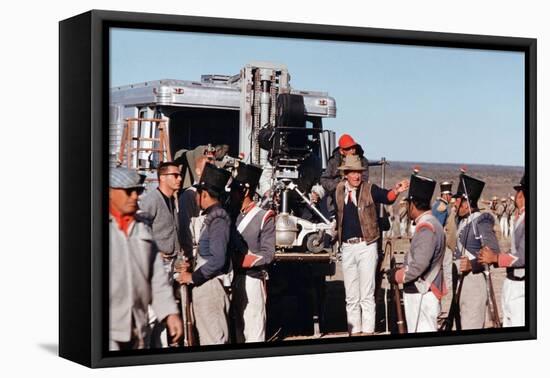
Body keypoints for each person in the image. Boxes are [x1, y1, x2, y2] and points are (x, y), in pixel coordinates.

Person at [333, 155, 409, 336]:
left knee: (366, 294)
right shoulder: (339, 191)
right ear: (346, 174)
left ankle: (367, 333)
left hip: (366, 245)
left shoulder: (369, 189)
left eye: (359, 172)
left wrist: (396, 190)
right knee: (351, 296)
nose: (357, 176)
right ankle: (354, 331)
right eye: (353, 172)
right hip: (347, 247)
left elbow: (387, 197)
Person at [109, 167, 182, 350]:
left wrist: (169, 313)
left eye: (138, 191)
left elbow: (156, 278)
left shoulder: (142, 228)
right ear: (110, 192)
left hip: (136, 325)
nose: (135, 196)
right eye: (128, 191)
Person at [175, 163, 232, 345]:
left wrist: (193, 277)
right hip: (207, 285)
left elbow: (218, 260)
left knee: (214, 341)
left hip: (210, 286)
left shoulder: (219, 219)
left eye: (199, 193)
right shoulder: (213, 217)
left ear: (204, 194)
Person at [388, 172, 446, 332]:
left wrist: (397, 276)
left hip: (423, 293)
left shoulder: (427, 228)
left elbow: (418, 266)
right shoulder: (431, 223)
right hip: (423, 291)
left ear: (412, 205)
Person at [229, 162, 276, 343]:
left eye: (234, 190)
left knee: (254, 328)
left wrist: (241, 261)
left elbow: (268, 254)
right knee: (238, 328)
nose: (231, 195)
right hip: (235, 278)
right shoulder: (233, 214)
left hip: (253, 278)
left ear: (245, 191)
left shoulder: (264, 216)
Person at [139, 161, 182, 347]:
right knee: (151, 313)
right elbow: (140, 229)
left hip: (170, 264)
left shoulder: (172, 200)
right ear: (162, 177)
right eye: (175, 175)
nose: (179, 178)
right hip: (157, 264)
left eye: (179, 175)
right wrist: (154, 253)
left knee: (164, 313)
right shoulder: (152, 200)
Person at [453, 172, 500, 330]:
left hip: (474, 282)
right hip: (460, 283)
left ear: (466, 202)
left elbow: (493, 251)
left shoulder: (481, 220)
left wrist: (472, 265)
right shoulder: (461, 221)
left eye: (458, 200)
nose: (454, 204)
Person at [479, 175, 526, 327]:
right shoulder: (522, 217)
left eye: (521, 192)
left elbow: (524, 256)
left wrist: (496, 258)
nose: (518, 197)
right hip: (512, 281)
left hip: (522, 283)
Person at [431, 181, 454, 319]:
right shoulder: (442, 207)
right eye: (449, 194)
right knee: (445, 268)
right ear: (445, 195)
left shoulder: (436, 205)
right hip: (441, 241)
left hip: (436, 241)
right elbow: (439, 225)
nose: (450, 197)